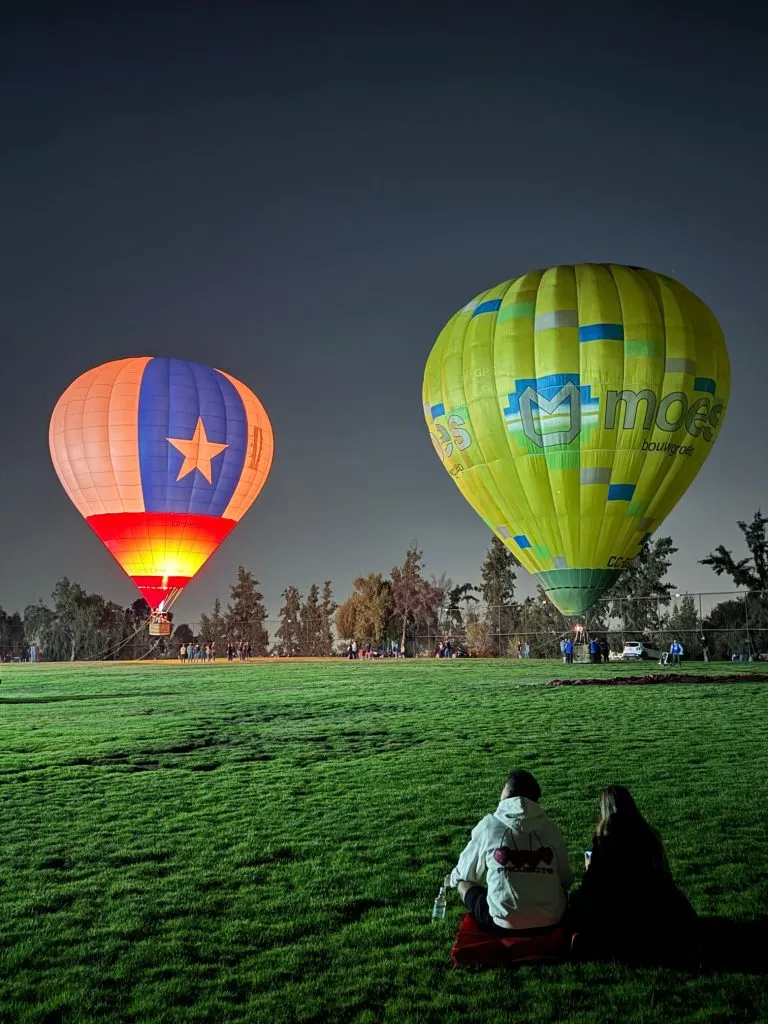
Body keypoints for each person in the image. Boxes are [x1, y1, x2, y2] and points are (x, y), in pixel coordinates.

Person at [571, 785, 697, 959]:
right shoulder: (648, 833)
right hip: (652, 905)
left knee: (576, 901)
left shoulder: (604, 838)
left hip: (620, 908)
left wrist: (588, 867)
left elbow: (592, 882)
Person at [444, 769, 572, 936]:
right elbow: (566, 880)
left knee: (464, 884)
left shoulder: (490, 825)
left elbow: (466, 873)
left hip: (503, 926)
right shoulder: (551, 829)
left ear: (508, 791)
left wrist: (451, 880)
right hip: (551, 922)